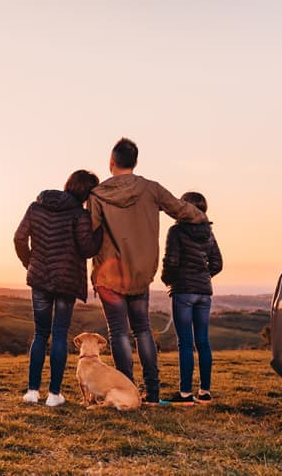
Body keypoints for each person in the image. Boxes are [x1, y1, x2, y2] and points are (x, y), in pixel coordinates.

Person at [88, 138, 206, 404]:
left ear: (111, 162)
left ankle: (127, 389)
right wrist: (201, 218)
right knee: (142, 329)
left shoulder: (97, 195)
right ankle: (152, 393)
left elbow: (90, 234)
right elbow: (180, 208)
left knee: (118, 332)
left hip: (109, 275)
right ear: (136, 162)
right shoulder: (151, 189)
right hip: (141, 273)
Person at [14, 170, 102, 407]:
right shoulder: (80, 215)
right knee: (60, 334)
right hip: (66, 281)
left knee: (40, 334)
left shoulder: (36, 207)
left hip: (40, 279)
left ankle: (32, 392)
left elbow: (19, 238)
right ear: (86, 193)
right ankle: (54, 395)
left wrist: (31, 263)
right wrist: (100, 232)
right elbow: (86, 249)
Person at [161, 191, 222, 405]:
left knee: (185, 343)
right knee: (203, 342)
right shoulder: (209, 233)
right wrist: (203, 277)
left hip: (184, 291)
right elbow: (217, 264)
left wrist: (168, 280)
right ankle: (205, 392)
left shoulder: (176, 231)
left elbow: (171, 261)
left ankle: (185, 394)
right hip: (204, 292)